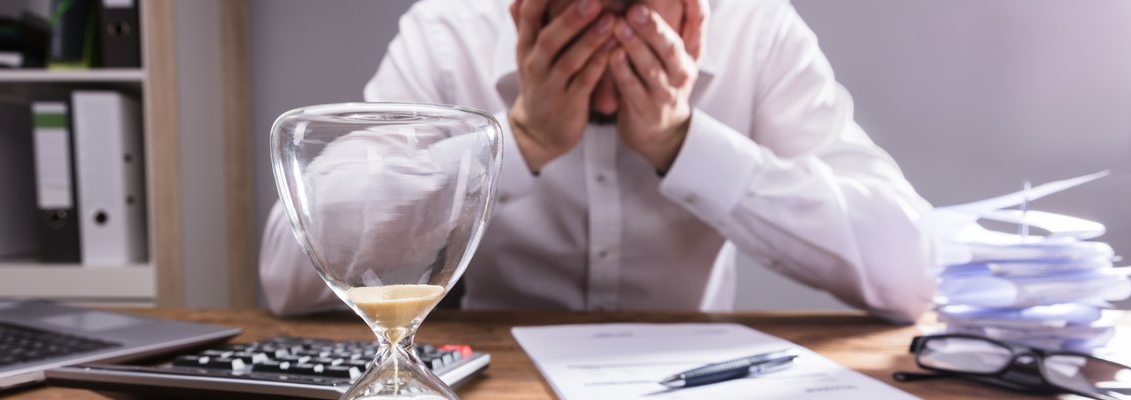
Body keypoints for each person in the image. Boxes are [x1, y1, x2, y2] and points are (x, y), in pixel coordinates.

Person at [260, 0, 938, 323]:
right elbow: (288, 273)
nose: (612, 49)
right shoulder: (448, 35)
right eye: (583, 22)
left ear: (697, 12)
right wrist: (515, 140)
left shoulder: (758, 30)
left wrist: (685, 144)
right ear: (523, 9)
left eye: (639, 19)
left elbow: (912, 273)